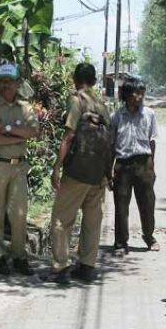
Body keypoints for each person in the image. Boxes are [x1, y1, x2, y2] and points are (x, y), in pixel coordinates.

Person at [48, 63, 111, 283]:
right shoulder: (102, 104)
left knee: (61, 219)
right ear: (94, 81)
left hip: (76, 172)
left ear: (75, 79)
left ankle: (60, 268)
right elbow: (110, 141)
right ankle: (86, 267)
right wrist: (107, 173)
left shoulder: (77, 100)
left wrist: (57, 167)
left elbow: (68, 136)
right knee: (92, 221)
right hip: (97, 174)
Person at [0, 63, 39, 276]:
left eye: (9, 82)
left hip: (18, 167)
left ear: (17, 84)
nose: (5, 86)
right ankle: (0, 256)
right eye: (1, 82)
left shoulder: (25, 108)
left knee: (19, 214)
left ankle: (19, 256)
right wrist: (16, 137)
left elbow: (33, 131)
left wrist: (7, 130)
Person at [111, 80, 160, 253]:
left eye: (142, 93)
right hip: (123, 165)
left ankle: (149, 237)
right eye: (135, 93)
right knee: (121, 205)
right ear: (126, 95)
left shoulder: (149, 114)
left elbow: (152, 141)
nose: (139, 97)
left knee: (147, 203)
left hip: (143, 163)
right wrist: (109, 170)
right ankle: (120, 242)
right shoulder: (117, 116)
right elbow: (111, 144)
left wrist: (151, 165)